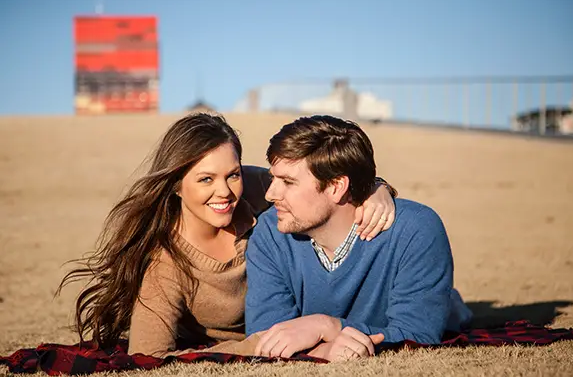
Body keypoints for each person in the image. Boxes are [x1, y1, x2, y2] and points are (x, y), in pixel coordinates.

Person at [56, 112, 397, 358]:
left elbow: (327, 183)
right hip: (268, 339)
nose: (225, 192)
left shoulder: (258, 187)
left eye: (232, 174)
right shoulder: (166, 265)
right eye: (205, 179)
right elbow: (148, 357)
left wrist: (377, 189)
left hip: (303, 323)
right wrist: (266, 346)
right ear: (176, 185)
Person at [244, 115, 473, 361]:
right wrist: (326, 350)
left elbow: (417, 336)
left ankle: (453, 304)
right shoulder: (270, 232)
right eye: (273, 178)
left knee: (451, 311)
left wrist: (328, 327)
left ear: (336, 186)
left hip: (435, 306)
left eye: (288, 182)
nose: (270, 194)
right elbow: (266, 337)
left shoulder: (415, 230)